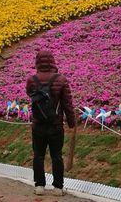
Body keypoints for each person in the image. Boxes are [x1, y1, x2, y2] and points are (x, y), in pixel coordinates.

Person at [25, 50, 76, 196]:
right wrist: (72, 123)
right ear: (52, 61)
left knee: (38, 155)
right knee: (56, 156)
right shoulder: (61, 79)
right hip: (56, 125)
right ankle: (58, 188)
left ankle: (39, 186)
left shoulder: (31, 80)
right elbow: (67, 103)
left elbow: (29, 94)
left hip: (38, 124)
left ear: (38, 62)